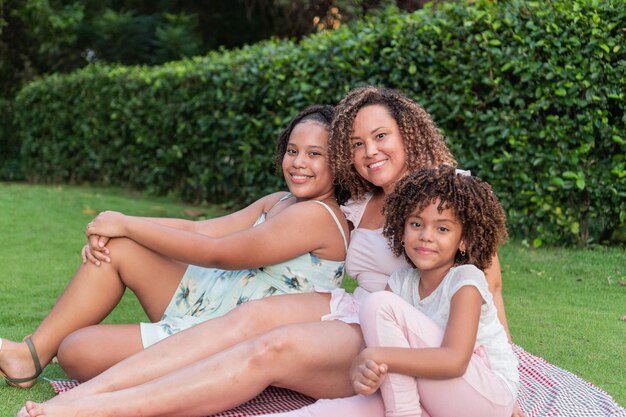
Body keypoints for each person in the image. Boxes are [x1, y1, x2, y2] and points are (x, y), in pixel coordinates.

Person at [18, 86, 514, 417]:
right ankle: (90, 392)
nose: (370, 152)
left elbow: (485, 282)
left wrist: (502, 353)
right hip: (359, 307)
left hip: (407, 324)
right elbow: (213, 231)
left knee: (268, 347)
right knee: (248, 320)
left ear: (408, 134)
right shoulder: (357, 199)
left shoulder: (445, 196)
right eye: (358, 143)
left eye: (381, 137)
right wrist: (127, 229)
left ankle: (92, 408)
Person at [0, 104, 349, 387]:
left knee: (76, 352)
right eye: (292, 150)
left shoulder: (318, 216)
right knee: (119, 247)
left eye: (314, 154)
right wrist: (116, 225)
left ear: (339, 163)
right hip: (207, 299)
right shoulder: (280, 200)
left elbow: (219, 253)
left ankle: (180, 371)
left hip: (227, 335)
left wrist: (128, 224)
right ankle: (28, 356)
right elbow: (202, 229)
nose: (298, 162)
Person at [348, 165, 518, 417]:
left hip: (486, 395)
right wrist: (362, 369)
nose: (426, 236)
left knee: (378, 304)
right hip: (432, 391)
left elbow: (454, 361)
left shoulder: (465, 280)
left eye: (442, 229)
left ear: (463, 240)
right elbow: (376, 350)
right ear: (401, 230)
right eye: (416, 224)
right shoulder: (399, 282)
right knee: (342, 409)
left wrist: (377, 355)